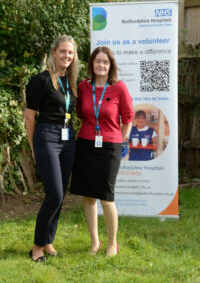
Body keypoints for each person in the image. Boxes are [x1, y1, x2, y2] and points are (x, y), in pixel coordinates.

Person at [70, 46, 133, 257]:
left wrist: (118, 139)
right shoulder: (84, 86)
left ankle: (112, 244)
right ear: (92, 64)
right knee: (88, 197)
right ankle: (95, 242)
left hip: (110, 147)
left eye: (105, 62)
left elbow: (128, 118)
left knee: (106, 197)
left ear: (111, 65)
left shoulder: (119, 88)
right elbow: (81, 113)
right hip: (86, 144)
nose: (101, 65)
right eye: (98, 61)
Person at [24, 35, 79, 262]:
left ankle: (48, 242)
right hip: (47, 136)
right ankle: (36, 247)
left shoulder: (72, 81)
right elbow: (29, 117)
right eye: (63, 51)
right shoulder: (41, 80)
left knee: (61, 193)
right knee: (54, 194)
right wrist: (34, 147)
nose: (67, 55)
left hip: (68, 139)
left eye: (71, 52)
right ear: (54, 53)